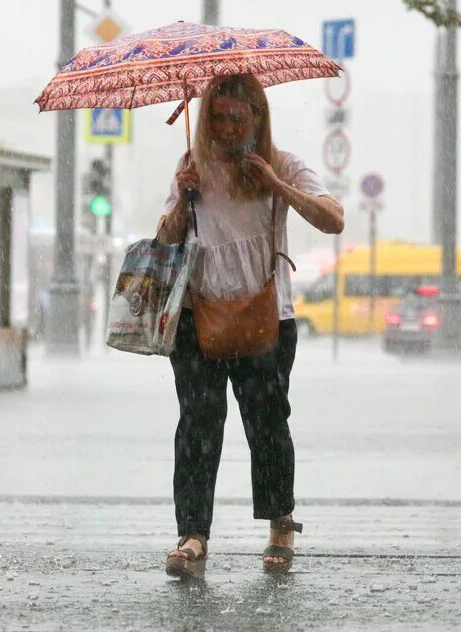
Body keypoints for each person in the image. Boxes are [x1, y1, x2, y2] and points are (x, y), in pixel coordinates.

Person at [156, 74, 344, 577]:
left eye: (237, 117)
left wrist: (277, 185)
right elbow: (165, 238)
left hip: (266, 318)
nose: (226, 127)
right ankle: (193, 535)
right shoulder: (192, 166)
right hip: (199, 317)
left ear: (258, 117)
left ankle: (281, 524)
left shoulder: (283, 164)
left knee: (267, 424)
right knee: (197, 424)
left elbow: (334, 219)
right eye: (217, 117)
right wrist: (182, 195)